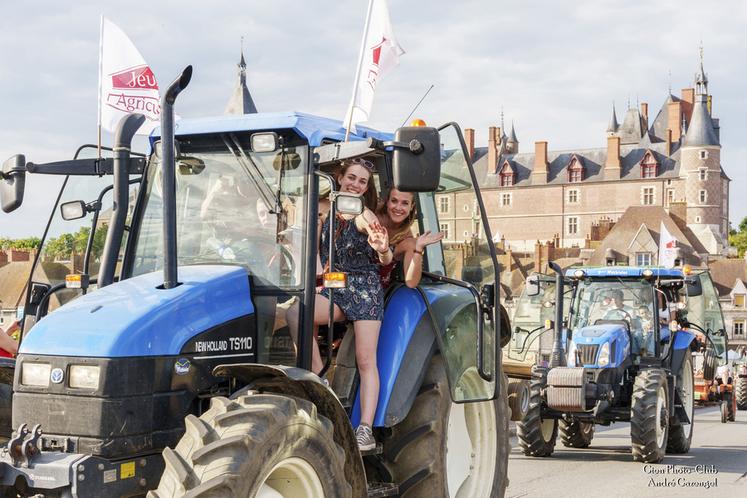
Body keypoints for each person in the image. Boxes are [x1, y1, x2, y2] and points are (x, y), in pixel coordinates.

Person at [287, 157, 391, 451]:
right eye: (352, 178)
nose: (356, 184)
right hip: (338, 286)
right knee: (297, 312)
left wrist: (382, 248)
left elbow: (382, 251)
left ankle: (365, 429)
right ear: (339, 178)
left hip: (366, 291)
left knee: (366, 360)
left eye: (362, 181)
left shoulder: (363, 214)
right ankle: (322, 383)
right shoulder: (327, 211)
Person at [376, 188, 444, 289]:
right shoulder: (372, 219)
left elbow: (411, 283)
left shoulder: (407, 238)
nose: (398, 207)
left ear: (412, 207)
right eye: (394, 201)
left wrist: (419, 248)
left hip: (377, 291)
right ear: (387, 202)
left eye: (405, 203)